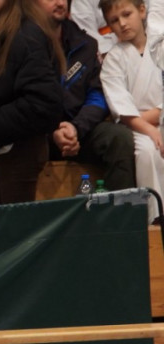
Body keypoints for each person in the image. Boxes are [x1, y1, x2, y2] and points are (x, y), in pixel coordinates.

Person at [0, 0, 64, 205]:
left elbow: (44, 104)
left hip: (20, 150)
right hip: (7, 149)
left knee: (12, 224)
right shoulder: (7, 34)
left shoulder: (26, 36)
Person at [37, 0, 136, 191]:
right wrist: (52, 132)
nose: (59, 2)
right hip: (38, 136)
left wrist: (76, 128)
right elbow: (22, 103)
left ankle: (119, 208)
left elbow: (97, 95)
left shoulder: (86, 44)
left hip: (78, 130)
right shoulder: (20, 43)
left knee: (119, 137)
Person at [99, 0, 163, 221]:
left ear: (142, 10)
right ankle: (154, 218)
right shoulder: (113, 59)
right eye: (114, 20)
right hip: (136, 128)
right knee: (147, 151)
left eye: (127, 14)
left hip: (156, 119)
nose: (123, 23)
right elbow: (121, 107)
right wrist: (149, 128)